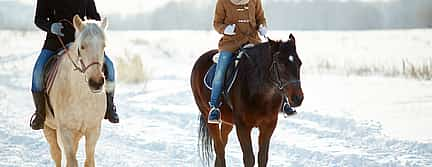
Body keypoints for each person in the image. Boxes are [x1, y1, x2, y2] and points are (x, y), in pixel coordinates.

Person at [30, 0, 119, 130]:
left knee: (109, 66)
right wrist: (51, 27)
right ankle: (40, 114)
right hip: (55, 41)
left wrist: (91, 28)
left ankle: (110, 107)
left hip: (83, 43)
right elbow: (39, 19)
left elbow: (94, 16)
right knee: (37, 71)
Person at [208, 0, 268, 124]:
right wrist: (225, 29)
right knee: (220, 72)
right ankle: (214, 107)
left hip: (253, 41)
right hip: (231, 44)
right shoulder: (222, 2)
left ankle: (283, 102)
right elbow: (216, 23)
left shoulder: (255, 1)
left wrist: (262, 27)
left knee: (270, 66)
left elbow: (260, 18)